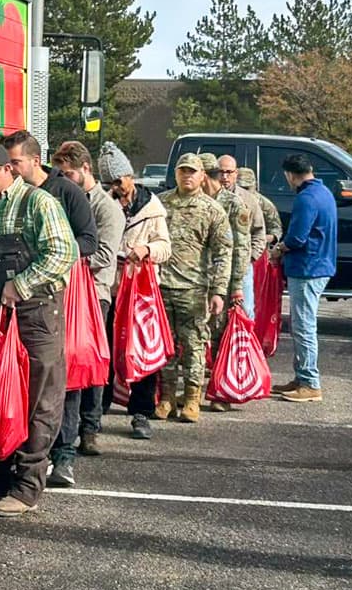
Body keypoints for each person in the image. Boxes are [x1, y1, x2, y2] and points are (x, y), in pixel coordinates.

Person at [0, 141, 78, 517]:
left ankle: (27, 486)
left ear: (7, 171)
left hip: (39, 312)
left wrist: (22, 284)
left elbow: (65, 252)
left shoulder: (38, 203)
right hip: (0, 313)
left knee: (38, 399)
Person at [48, 140, 123, 480]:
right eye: (60, 173)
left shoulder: (106, 208)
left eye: (69, 173)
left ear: (85, 169)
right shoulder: (59, 197)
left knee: (88, 366)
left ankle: (88, 429)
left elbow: (104, 254)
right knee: (71, 366)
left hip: (94, 293)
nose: (64, 178)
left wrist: (57, 260)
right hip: (64, 292)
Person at [102, 142, 172, 439]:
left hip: (141, 291)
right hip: (111, 288)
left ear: (130, 175)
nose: (117, 188)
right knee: (105, 349)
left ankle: (141, 412)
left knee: (142, 348)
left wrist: (146, 249)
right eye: (111, 183)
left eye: (119, 181)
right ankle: (97, 408)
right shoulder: (105, 204)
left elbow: (165, 247)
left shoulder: (152, 207)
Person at [157, 153, 232, 424]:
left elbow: (224, 252)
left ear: (202, 176)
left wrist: (219, 292)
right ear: (176, 174)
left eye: (193, 172)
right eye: (182, 171)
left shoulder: (212, 210)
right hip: (162, 286)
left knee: (194, 345)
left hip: (194, 289)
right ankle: (166, 397)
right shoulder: (161, 203)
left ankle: (191, 398)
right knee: (165, 346)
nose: (187, 176)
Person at [269, 153, 337, 403]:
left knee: (304, 326)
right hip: (320, 265)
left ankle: (310, 382)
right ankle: (301, 377)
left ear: (290, 174)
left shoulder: (306, 198)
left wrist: (279, 248)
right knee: (302, 324)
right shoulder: (324, 193)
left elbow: (297, 238)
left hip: (308, 268)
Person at [199, 153, 251, 413]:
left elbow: (241, 247)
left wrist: (238, 284)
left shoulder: (233, 204)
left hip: (224, 278)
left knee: (220, 337)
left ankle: (221, 392)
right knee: (196, 336)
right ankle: (193, 389)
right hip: (198, 278)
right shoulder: (196, 201)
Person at [3, 129, 98, 258]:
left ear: (36, 161)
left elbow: (89, 241)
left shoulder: (67, 191)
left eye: (15, 162)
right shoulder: (7, 193)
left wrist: (53, 251)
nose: (10, 169)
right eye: (6, 164)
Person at [219, 155, 265, 323]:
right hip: (216, 266)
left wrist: (250, 258)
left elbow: (259, 232)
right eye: (220, 172)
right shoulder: (209, 197)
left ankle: (243, 348)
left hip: (242, 266)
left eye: (228, 172)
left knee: (244, 312)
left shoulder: (248, 199)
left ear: (235, 173)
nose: (224, 177)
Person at [238, 167, 283, 249]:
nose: (244, 191)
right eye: (241, 188)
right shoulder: (230, 200)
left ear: (255, 185)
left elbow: (276, 230)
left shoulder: (265, 205)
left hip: (257, 248)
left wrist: (261, 238)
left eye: (247, 188)